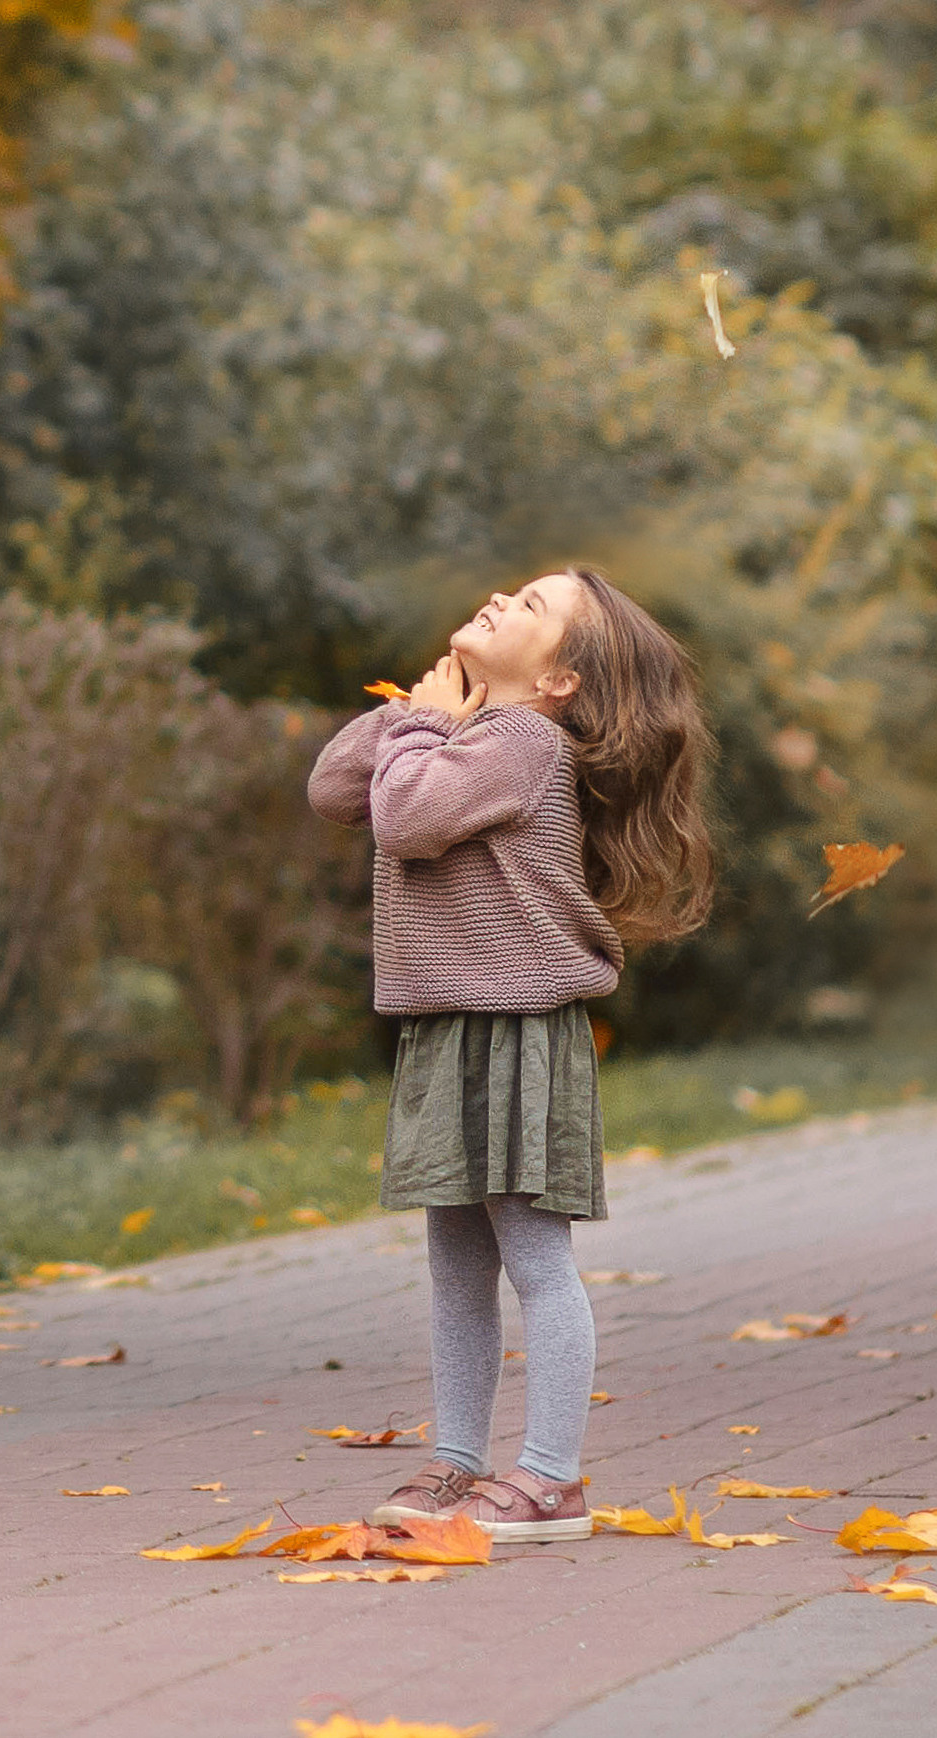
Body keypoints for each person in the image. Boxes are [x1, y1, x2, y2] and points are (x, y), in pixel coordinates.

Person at [307, 566, 715, 1541]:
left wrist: (424, 728)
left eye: (529, 608)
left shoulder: (523, 741)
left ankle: (549, 1476)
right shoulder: (461, 732)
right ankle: (455, 1463)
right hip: (447, 1025)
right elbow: (332, 790)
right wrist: (415, 707)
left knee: (534, 1258)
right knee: (455, 1264)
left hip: (518, 1027)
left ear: (558, 681)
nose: (498, 601)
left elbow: (403, 821)